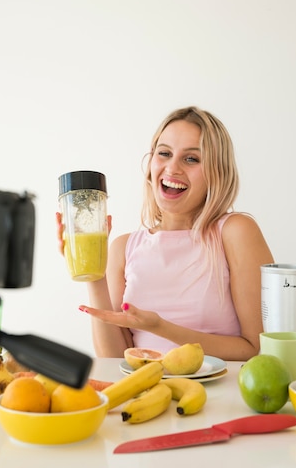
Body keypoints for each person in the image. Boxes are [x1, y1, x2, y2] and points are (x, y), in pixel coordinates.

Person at [56, 106, 274, 361]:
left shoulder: (235, 232)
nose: (172, 168)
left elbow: (255, 348)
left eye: (191, 158)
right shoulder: (123, 248)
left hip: (219, 395)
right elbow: (114, 359)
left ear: (218, 172)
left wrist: (161, 328)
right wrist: (94, 274)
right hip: (147, 394)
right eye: (164, 153)